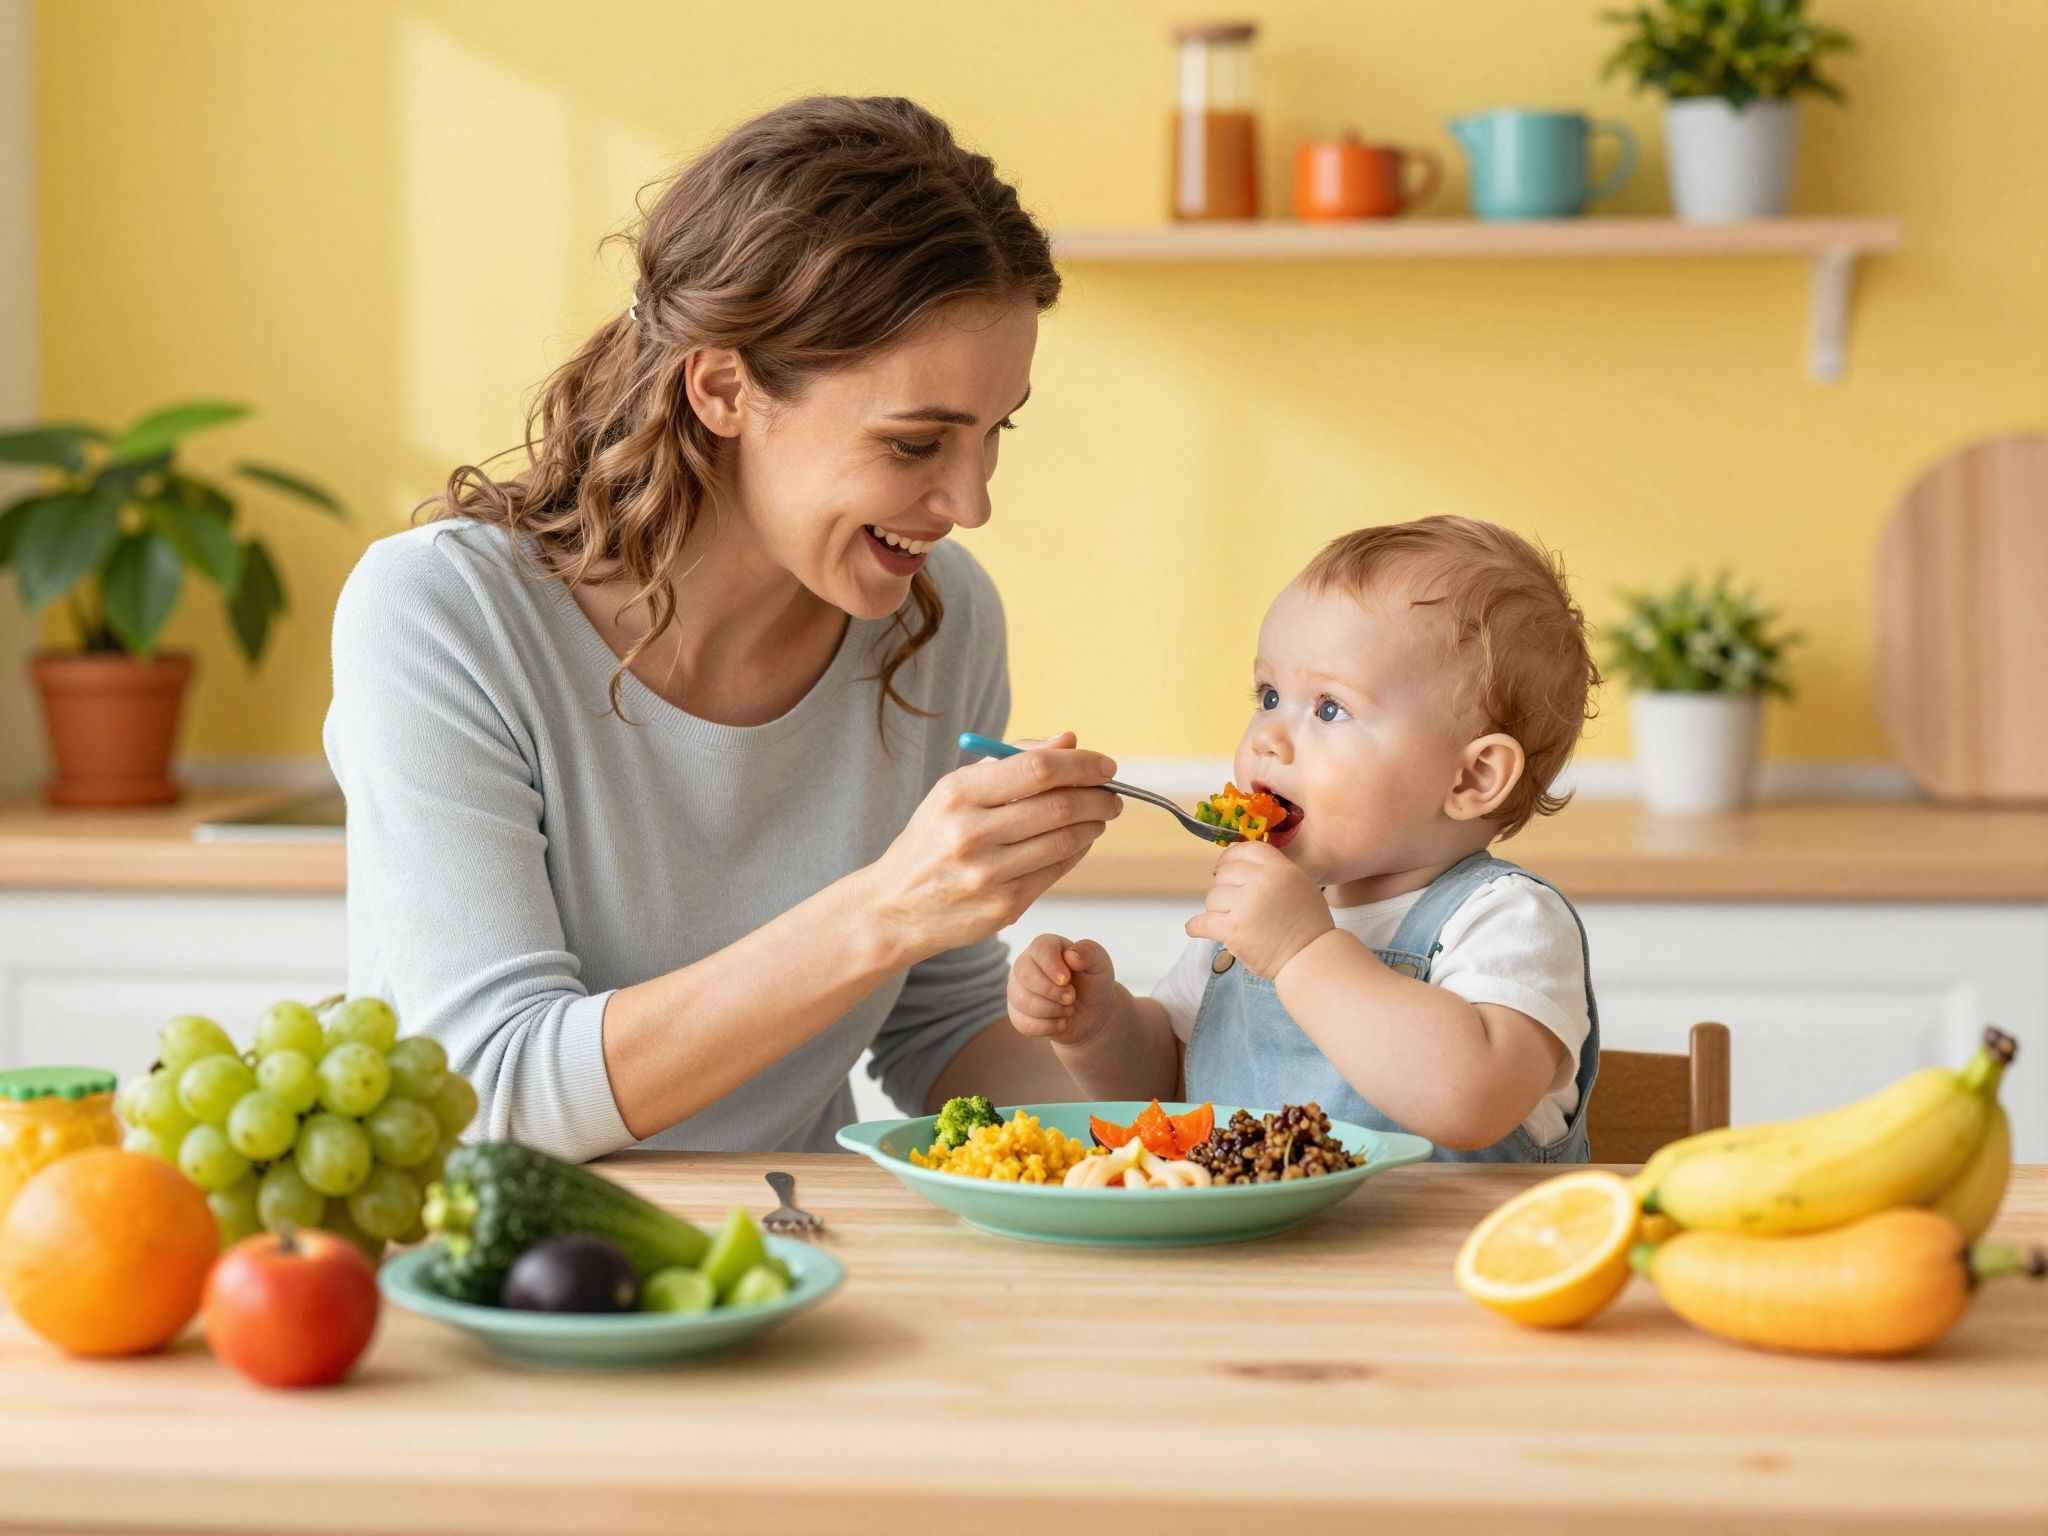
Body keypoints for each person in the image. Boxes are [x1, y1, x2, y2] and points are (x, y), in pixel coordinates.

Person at [326, 96, 1121, 1159]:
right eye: (915, 444)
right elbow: (492, 1083)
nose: (969, 502)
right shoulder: (445, 615)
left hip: (790, 1248)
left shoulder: (941, 618)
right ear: (723, 389)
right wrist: (885, 908)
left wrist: (1141, 1145)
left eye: (991, 435)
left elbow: (938, 1027)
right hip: (503, 1264)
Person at [1006, 516, 1602, 1160]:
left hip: (1444, 1258)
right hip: (1259, 1259)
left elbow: (1470, 1099)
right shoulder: (1254, 918)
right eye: (1267, 696)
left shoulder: (1505, 919)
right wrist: (1097, 1028)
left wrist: (1301, 951)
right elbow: (1171, 1086)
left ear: (1473, 776)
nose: (1268, 736)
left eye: (1328, 708)